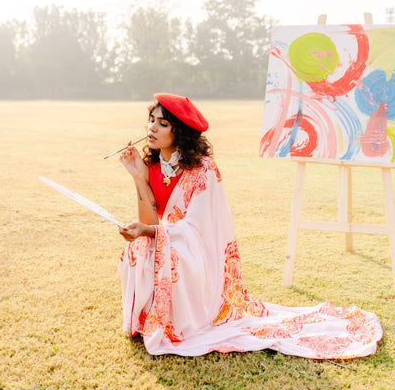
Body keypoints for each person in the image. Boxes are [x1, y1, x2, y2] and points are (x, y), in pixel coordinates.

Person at [117, 93, 382, 357]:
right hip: (174, 242)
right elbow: (150, 225)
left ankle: (182, 323)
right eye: (151, 120)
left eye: (162, 123)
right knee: (139, 249)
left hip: (199, 253)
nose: (152, 127)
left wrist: (151, 232)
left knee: (165, 252)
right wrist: (139, 178)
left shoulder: (203, 170)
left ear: (181, 132)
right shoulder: (152, 165)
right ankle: (151, 322)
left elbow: (195, 230)